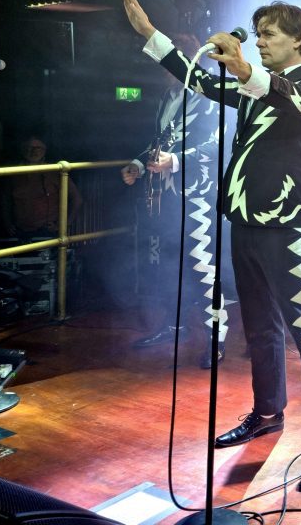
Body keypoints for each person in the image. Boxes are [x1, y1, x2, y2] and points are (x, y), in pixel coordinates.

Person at [121, 0, 301, 492]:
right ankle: (267, 413)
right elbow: (200, 80)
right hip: (244, 221)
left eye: (269, 34)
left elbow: (291, 100)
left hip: (289, 225)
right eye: (257, 34)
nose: (259, 41)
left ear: (298, 39)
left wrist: (245, 69)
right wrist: (151, 35)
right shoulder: (251, 86)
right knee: (260, 326)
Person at [121, 36, 232, 369]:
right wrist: (139, 165)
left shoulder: (209, 96)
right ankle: (174, 327)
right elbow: (160, 141)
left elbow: (220, 145)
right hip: (168, 198)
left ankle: (217, 339)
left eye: (168, 63)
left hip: (198, 198)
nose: (162, 70)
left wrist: (176, 160)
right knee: (171, 265)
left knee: (203, 267)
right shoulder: (166, 98)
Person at [2, 135, 82, 242]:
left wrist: (63, 225)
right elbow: (6, 201)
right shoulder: (13, 173)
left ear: (45, 150)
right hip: (20, 232)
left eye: (38, 148)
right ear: (22, 150)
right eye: (29, 147)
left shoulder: (56, 172)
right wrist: (8, 223)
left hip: (47, 232)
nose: (33, 151)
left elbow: (77, 199)